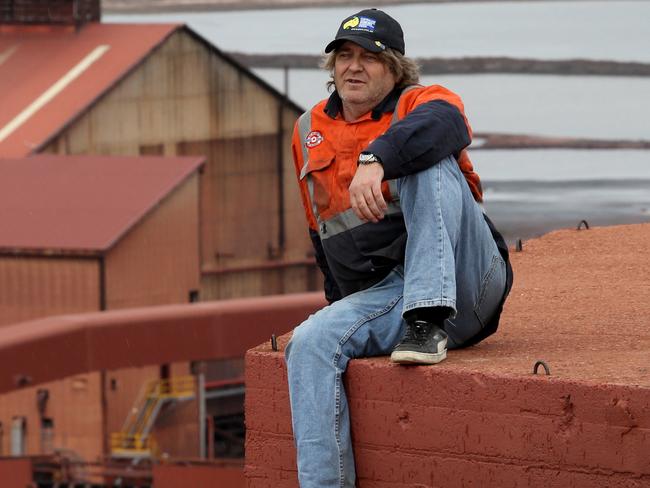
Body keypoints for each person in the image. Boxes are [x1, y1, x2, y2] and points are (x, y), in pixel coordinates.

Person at [285, 8, 513, 487]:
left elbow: (448, 123)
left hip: (467, 281)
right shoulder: (308, 129)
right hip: (389, 295)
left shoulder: (421, 101)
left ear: (394, 68)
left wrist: (379, 158)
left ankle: (428, 319)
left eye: (369, 57)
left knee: (426, 161)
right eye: (344, 56)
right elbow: (319, 231)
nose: (353, 66)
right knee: (308, 344)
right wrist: (339, 312)